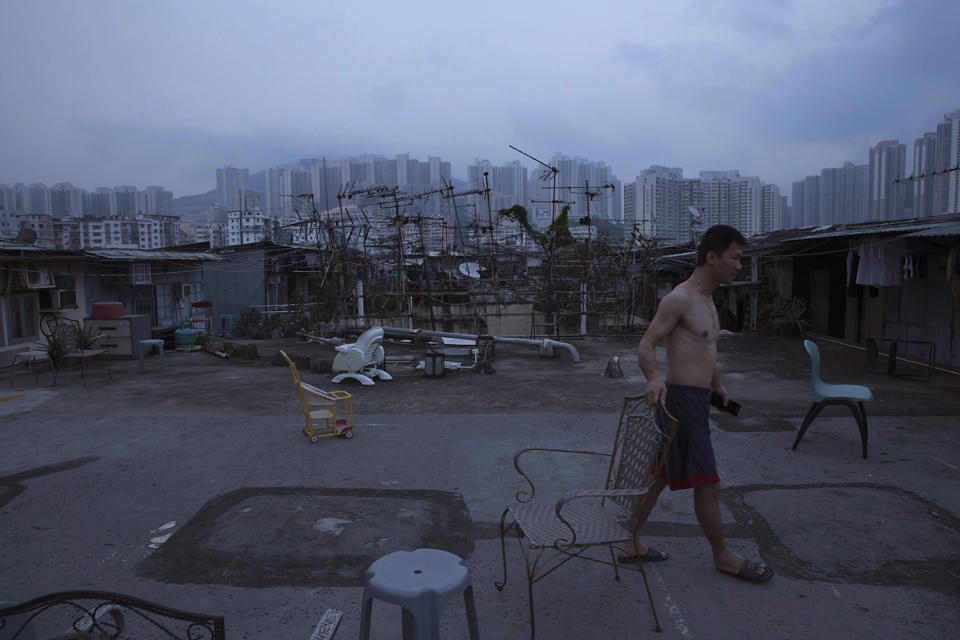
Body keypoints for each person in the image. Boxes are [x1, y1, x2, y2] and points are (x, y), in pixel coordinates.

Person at [616, 224, 774, 584]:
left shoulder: (708, 300)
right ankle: (722, 556)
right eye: (735, 258)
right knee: (708, 482)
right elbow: (646, 344)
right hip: (681, 403)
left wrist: (716, 386)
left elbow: (705, 351)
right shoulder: (681, 298)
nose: (740, 266)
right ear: (712, 257)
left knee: (659, 476)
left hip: (698, 399)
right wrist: (653, 378)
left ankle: (628, 541)